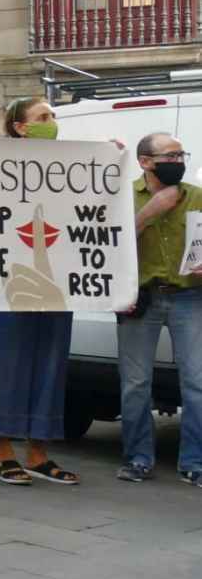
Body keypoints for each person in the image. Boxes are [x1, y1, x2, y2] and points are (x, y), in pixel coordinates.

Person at [0, 97, 83, 485]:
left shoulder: (72, 165)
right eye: (43, 117)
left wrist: (115, 161)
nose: (51, 122)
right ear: (20, 127)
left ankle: (39, 454)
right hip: (11, 281)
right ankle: (4, 452)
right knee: (11, 363)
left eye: (53, 116)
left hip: (59, 281)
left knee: (51, 364)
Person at [122, 132, 202, 485]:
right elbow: (108, 245)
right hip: (141, 299)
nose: (177, 162)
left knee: (196, 383)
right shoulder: (124, 197)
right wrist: (148, 214)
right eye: (169, 157)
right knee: (135, 384)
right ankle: (138, 458)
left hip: (190, 297)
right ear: (145, 162)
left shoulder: (197, 197)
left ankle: (194, 462)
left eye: (180, 155)